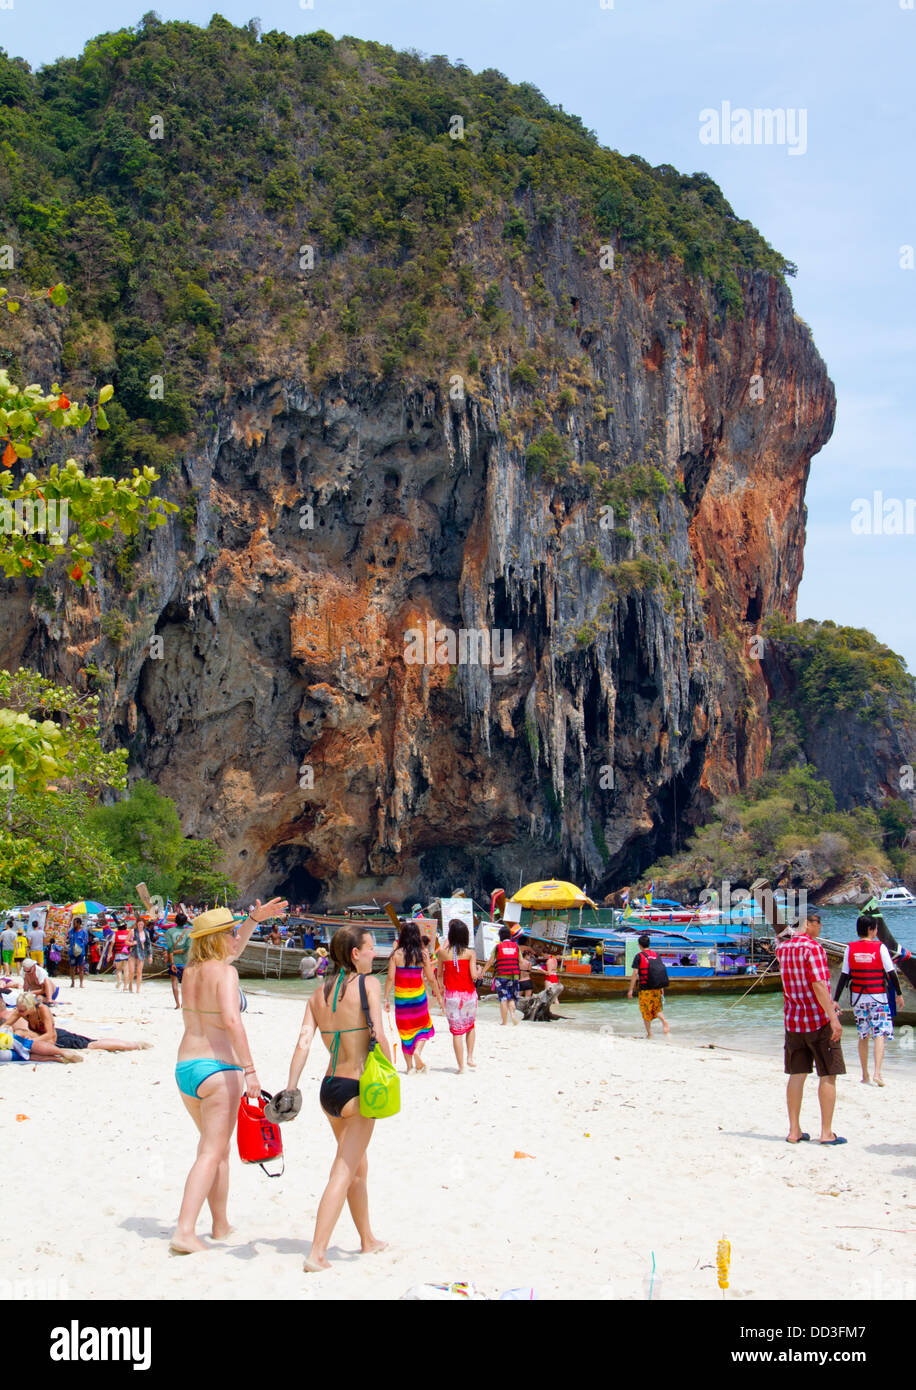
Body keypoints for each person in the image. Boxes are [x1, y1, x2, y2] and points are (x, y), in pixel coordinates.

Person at [171, 896, 287, 1255]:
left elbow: (230, 955)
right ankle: (185, 1230)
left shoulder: (192, 972)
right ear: (220, 937)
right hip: (219, 1069)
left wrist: (254, 918)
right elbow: (232, 1020)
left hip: (186, 1069)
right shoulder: (225, 972)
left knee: (215, 1148)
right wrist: (251, 1071)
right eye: (233, 932)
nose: (237, 936)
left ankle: (219, 1224)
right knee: (211, 1152)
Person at [285, 923, 391, 1272]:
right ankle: (317, 1253)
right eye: (371, 947)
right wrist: (390, 1076)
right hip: (358, 1090)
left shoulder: (317, 995)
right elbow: (381, 1033)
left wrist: (292, 1087)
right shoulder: (369, 984)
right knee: (343, 1171)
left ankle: (367, 1239)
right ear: (355, 953)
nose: (376, 952)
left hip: (328, 1090)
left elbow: (302, 1043)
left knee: (357, 1167)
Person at [776, 912, 847, 1145]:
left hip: (794, 1020)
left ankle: (794, 1130)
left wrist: (829, 1001)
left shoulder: (783, 949)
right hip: (818, 1020)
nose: (820, 927)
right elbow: (817, 983)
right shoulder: (812, 948)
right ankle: (826, 1133)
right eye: (817, 923)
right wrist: (833, 1017)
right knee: (828, 1074)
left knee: (797, 1074)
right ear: (807, 924)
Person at [833, 913, 903, 1088]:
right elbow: (891, 973)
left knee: (863, 1035)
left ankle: (865, 1075)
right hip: (878, 997)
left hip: (858, 999)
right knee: (880, 1034)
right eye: (876, 928)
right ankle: (877, 1072)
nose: (877, 931)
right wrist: (899, 994)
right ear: (871, 930)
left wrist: (835, 999)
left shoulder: (850, 948)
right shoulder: (880, 948)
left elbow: (844, 976)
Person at [11, 992, 153, 1054]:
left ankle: (134, 1045)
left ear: (30, 1007)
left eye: (22, 1010)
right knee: (19, 1033)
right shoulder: (22, 1010)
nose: (19, 1013)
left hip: (59, 1039)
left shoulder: (43, 1010)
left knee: (93, 1044)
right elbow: (5, 1025)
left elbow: (49, 1035)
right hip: (49, 1037)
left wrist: (31, 1041)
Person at [385, 921, 443, 1072]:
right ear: (417, 937)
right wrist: (439, 995)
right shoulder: (422, 954)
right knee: (424, 1027)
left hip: (402, 1000)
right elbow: (431, 978)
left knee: (405, 1031)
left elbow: (390, 978)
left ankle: (410, 1067)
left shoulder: (395, 955)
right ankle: (417, 1051)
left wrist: (385, 997)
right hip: (418, 999)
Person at [435, 920, 479, 1072]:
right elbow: (473, 976)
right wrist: (479, 971)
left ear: (451, 935)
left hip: (452, 995)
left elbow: (439, 974)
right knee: (470, 1025)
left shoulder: (442, 953)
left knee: (456, 1031)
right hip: (468, 995)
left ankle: (461, 1067)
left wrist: (441, 988)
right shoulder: (470, 953)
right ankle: (470, 1057)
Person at [627, 933, 671, 1038]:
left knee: (645, 1012)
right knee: (657, 1009)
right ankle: (664, 1021)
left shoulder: (639, 956)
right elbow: (659, 972)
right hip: (657, 987)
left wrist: (630, 990)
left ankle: (649, 1034)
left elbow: (635, 973)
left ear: (639, 945)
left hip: (645, 989)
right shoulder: (656, 955)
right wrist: (662, 988)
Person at [484, 925, 522, 1026]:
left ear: (500, 936)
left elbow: (490, 962)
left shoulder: (498, 947)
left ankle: (504, 1022)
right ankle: (513, 1015)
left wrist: (483, 971)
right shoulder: (516, 947)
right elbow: (521, 962)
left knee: (503, 999)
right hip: (514, 976)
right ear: (510, 936)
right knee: (511, 998)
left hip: (501, 976)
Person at [166, 912, 192, 1009]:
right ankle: (184, 1003)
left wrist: (172, 962)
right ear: (185, 922)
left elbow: (169, 948)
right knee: (186, 984)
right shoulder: (189, 932)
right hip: (185, 961)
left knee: (174, 982)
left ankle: (177, 1004)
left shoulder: (169, 931)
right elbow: (188, 947)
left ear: (175, 921)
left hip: (173, 960)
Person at [128, 917, 151, 993]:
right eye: (139, 924)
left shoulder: (146, 933)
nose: (140, 925)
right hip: (133, 953)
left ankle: (138, 989)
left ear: (144, 924)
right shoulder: (132, 931)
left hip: (141, 953)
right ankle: (130, 984)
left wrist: (150, 955)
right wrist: (131, 943)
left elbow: (148, 945)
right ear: (137, 924)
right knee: (131, 971)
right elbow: (125, 941)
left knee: (139, 972)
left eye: (142, 924)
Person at [67, 917, 88, 988]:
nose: (73, 925)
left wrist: (80, 946)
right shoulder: (71, 932)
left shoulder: (84, 932)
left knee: (81, 967)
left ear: (79, 923)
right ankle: (72, 982)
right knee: (72, 967)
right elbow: (69, 940)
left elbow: (86, 941)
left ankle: (81, 983)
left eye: (75, 923)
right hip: (72, 952)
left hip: (81, 952)